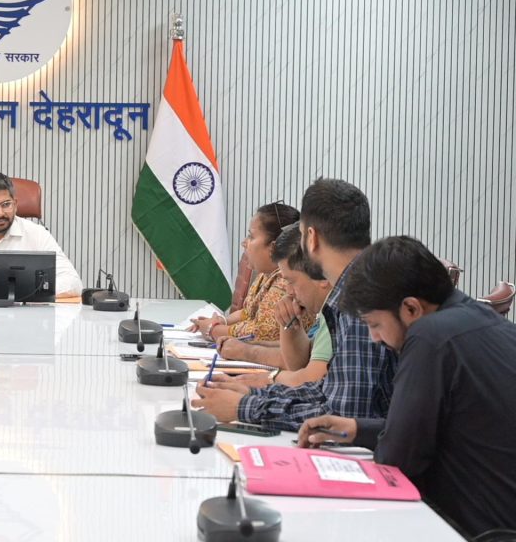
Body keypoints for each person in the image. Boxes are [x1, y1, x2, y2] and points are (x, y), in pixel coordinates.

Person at [298, 236, 516, 539]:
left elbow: (398, 460)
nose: (374, 338)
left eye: (374, 324)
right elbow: (429, 430)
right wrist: (357, 429)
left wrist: (379, 437)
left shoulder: (429, 337)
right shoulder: (484, 322)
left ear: (411, 308)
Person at [192, 178, 396, 429]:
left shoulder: (358, 301)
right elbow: (324, 390)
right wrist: (254, 395)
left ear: (311, 238)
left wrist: (244, 407)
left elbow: (341, 416)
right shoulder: (357, 286)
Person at [212, 222, 333, 387]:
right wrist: (288, 324)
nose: (288, 291)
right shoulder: (325, 311)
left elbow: (310, 377)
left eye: (291, 281)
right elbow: (302, 361)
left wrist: (267, 380)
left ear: (322, 277)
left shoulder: (337, 309)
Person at [190, 202, 305, 341]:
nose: (244, 243)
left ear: (274, 247)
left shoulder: (285, 281)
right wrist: (222, 321)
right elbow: (248, 312)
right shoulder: (266, 274)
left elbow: (262, 333)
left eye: (251, 237)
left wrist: (212, 330)